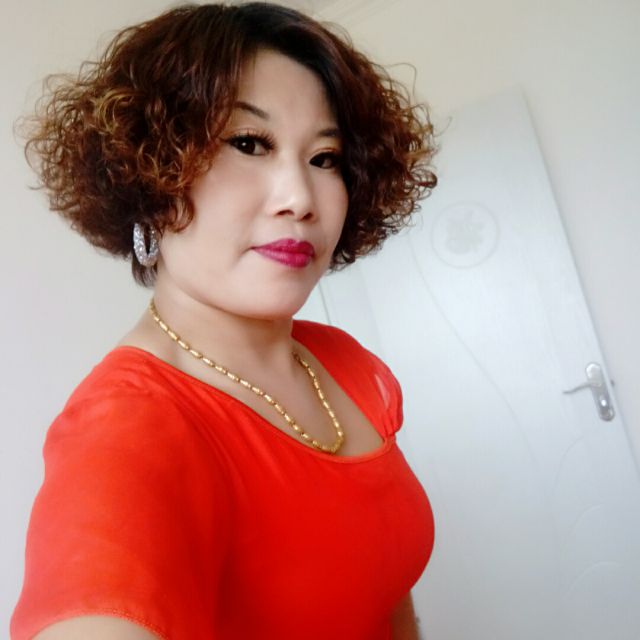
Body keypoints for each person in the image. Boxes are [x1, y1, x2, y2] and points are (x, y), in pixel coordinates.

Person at [10, 3, 438, 639]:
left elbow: (385, 590)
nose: (299, 197)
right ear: (150, 173)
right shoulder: (126, 429)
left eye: (325, 157)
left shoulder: (345, 364)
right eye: (249, 144)